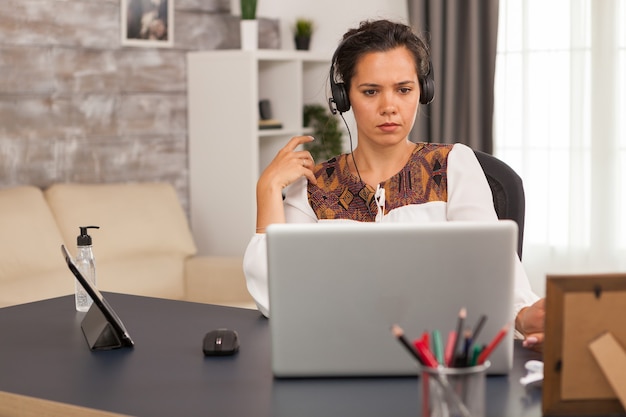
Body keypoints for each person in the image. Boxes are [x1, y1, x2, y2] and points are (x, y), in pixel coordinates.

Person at [243, 19, 545, 350]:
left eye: (403, 89)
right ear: (344, 98)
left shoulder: (453, 165)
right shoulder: (315, 186)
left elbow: (492, 268)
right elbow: (276, 298)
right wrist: (268, 190)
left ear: (422, 91)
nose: (389, 107)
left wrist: (522, 313)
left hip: (439, 360)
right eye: (371, 91)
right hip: (341, 354)